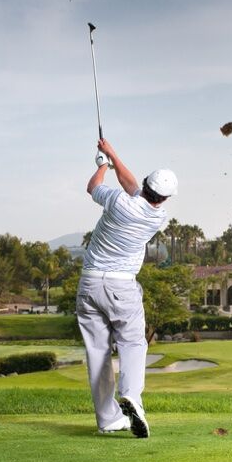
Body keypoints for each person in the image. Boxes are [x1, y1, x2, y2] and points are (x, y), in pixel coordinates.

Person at [76, 138, 177, 437]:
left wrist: (103, 165)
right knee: (133, 343)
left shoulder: (119, 202)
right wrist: (113, 155)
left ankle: (108, 419)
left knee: (97, 352)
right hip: (121, 287)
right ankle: (131, 394)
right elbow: (132, 185)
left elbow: (93, 186)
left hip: (90, 283)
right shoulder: (157, 216)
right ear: (164, 198)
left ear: (146, 185)